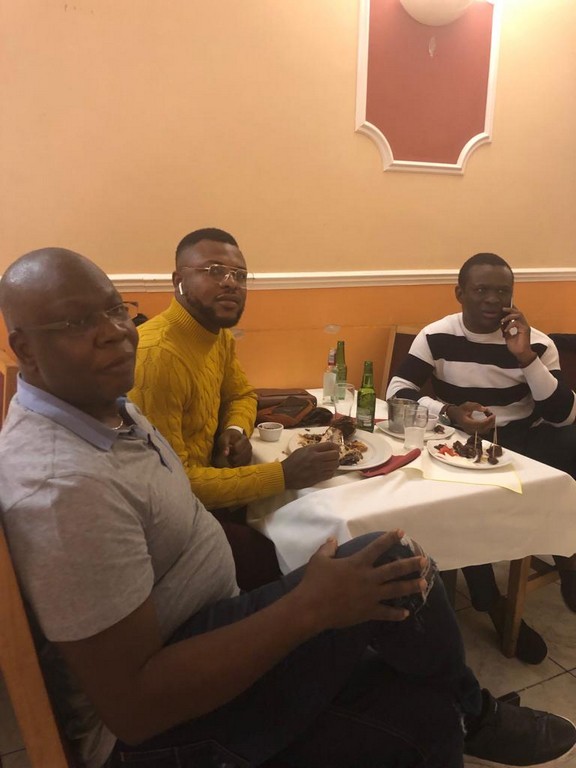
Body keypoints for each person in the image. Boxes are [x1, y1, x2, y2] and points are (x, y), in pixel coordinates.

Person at [1, 247, 575, 768]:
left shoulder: (108, 405)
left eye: (116, 311)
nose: (116, 334)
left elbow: (236, 402)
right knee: (416, 677)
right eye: (77, 323)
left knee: (390, 568)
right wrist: (305, 607)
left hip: (208, 623)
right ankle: (473, 716)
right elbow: (135, 710)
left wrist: (241, 450)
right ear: (24, 347)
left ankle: (470, 712)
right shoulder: (63, 488)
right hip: (162, 728)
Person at [387, 251, 576, 664]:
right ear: (459, 293)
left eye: (503, 291)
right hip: (460, 443)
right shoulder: (436, 335)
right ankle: (491, 602)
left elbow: (563, 415)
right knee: (466, 501)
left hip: (522, 443)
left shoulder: (537, 343)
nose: (493, 299)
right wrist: (449, 412)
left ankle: (566, 554)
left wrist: (525, 357)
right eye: (481, 290)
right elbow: (397, 391)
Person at [128, 228, 339, 588]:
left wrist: (234, 430)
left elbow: (242, 395)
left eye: (240, 275)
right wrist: (283, 475)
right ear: (178, 280)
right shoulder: (157, 357)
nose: (230, 283)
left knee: (312, 520)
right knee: (298, 552)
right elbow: (176, 486)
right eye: (214, 271)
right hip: (177, 525)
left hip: (213, 495)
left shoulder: (215, 333)